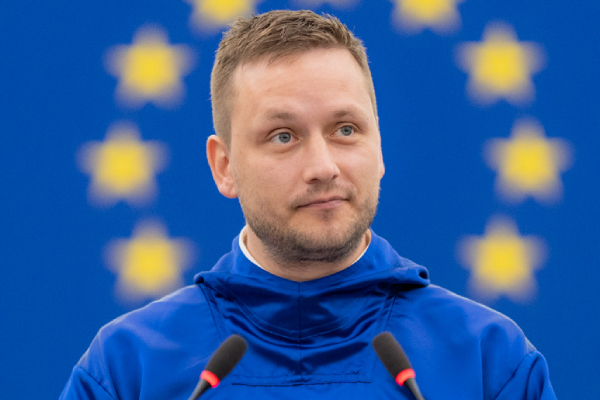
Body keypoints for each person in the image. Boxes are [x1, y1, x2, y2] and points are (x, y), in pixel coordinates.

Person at [60, 10, 556, 400]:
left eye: (346, 129)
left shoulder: (489, 360)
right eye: (283, 136)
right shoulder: (128, 368)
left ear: (379, 148)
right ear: (224, 166)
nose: (323, 166)